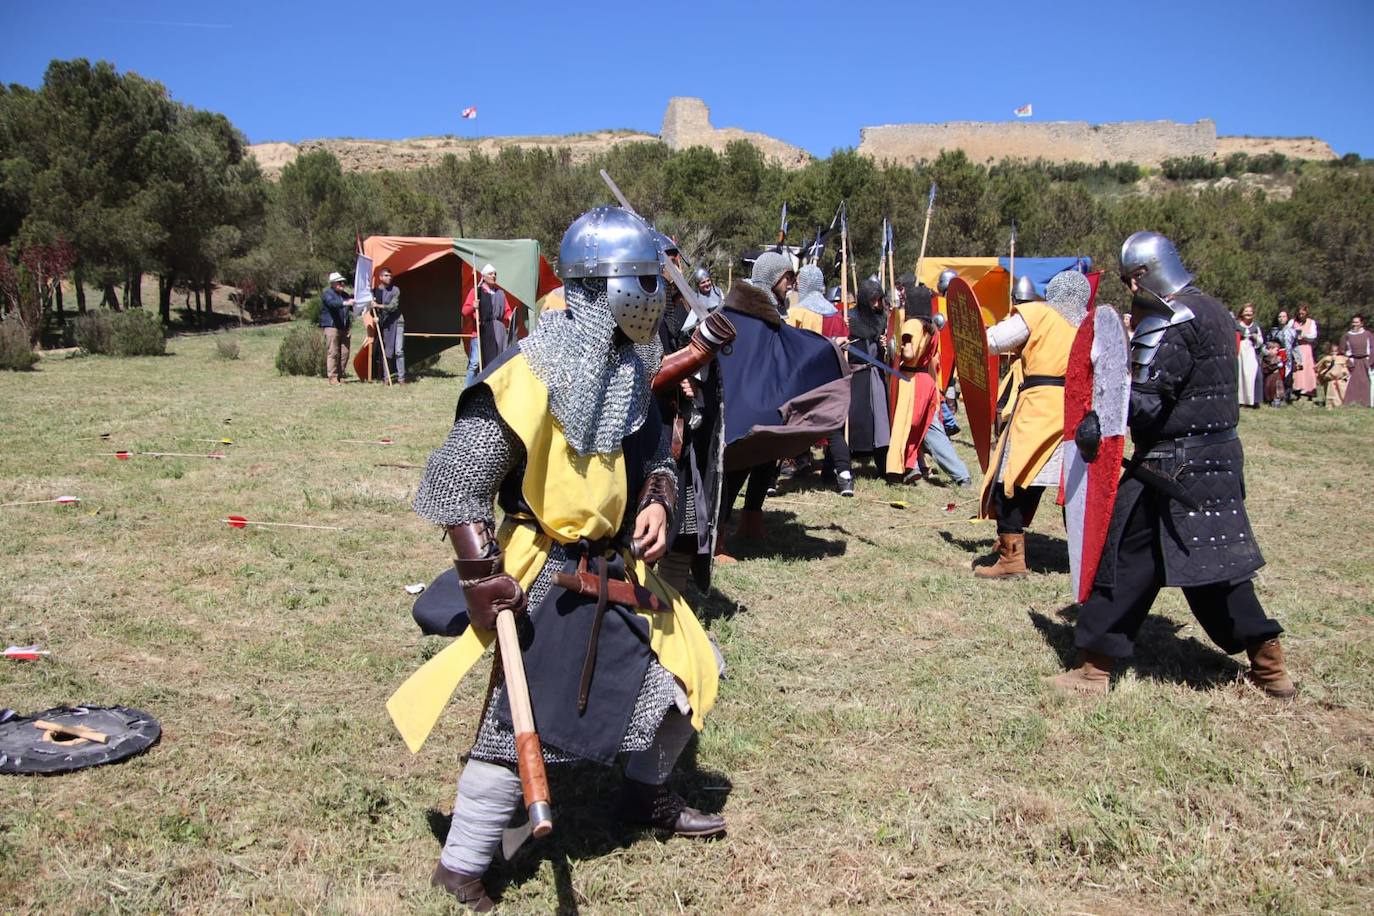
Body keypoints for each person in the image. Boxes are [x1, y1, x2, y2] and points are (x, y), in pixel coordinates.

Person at [405, 206, 725, 910]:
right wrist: (482, 577)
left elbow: (656, 460)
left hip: (619, 566)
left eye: (656, 279)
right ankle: (461, 865)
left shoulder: (628, 369)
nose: (655, 294)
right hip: (542, 568)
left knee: (693, 673)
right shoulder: (524, 377)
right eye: (640, 280)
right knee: (516, 723)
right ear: (596, 286)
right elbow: (457, 485)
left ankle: (644, 795)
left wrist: (659, 502)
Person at [1049, 231, 1294, 700]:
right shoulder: (1217, 311)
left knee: (1120, 557)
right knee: (1212, 566)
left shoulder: (1171, 317)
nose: (1130, 290)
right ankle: (1269, 665)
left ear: (1143, 274)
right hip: (1216, 459)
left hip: (1170, 463)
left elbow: (1144, 401)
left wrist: (1100, 412)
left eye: (1130, 280)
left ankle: (1093, 671)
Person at [974, 270, 1090, 578]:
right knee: (1075, 488)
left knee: (1010, 482)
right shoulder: (1089, 325)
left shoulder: (1039, 313)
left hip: (1039, 408)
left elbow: (993, 341)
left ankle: (1011, 560)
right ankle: (1089, 557)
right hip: (1076, 412)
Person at [718, 250, 797, 545]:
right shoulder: (743, 310)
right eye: (787, 277)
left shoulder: (771, 312)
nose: (791, 283)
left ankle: (751, 521)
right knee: (735, 465)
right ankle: (717, 537)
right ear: (773, 277)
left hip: (767, 396)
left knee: (766, 459)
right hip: (742, 398)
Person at [886, 277, 970, 487]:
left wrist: (893, 346)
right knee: (931, 429)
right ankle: (959, 474)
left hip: (911, 380)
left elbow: (909, 352)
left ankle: (907, 467)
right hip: (927, 381)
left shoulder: (912, 324)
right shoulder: (931, 325)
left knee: (906, 426)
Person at [844, 279, 892, 472]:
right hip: (856, 376)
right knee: (854, 420)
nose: (876, 304)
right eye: (872, 300)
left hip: (875, 375)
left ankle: (882, 464)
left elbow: (887, 353)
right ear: (864, 300)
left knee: (880, 421)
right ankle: (845, 461)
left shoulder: (882, 318)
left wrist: (886, 345)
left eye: (879, 300)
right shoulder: (850, 318)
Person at [461, 265, 516, 387]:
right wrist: (473, 307)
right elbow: (464, 311)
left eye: (495, 274)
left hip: (498, 333)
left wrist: (510, 317)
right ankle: (467, 389)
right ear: (484, 276)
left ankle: (492, 387)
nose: (494, 276)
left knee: (496, 361)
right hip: (481, 332)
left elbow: (507, 311)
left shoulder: (500, 293)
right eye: (491, 274)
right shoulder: (476, 292)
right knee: (475, 363)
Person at [367, 267, 406, 383]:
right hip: (385, 323)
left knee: (399, 351)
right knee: (386, 351)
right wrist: (374, 316)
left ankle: (401, 378)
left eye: (390, 276)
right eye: (386, 275)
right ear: (380, 277)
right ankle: (386, 378)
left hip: (397, 321)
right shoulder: (375, 292)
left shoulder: (395, 290)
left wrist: (378, 306)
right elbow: (371, 310)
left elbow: (393, 307)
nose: (389, 278)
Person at [320, 271, 355, 385]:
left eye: (343, 282)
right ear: (333, 283)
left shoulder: (345, 295)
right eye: (339, 282)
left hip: (344, 327)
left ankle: (341, 375)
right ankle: (333, 377)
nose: (342, 284)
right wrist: (346, 303)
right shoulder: (327, 293)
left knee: (345, 352)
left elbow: (352, 308)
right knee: (333, 352)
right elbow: (332, 304)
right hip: (332, 326)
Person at [1340, 314, 1373, 408]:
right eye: (1353, 322)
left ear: (1362, 323)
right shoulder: (1347, 335)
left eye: (1357, 322)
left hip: (1365, 360)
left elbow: (1372, 348)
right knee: (1352, 382)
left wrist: (1370, 361)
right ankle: (1351, 402)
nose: (1354, 324)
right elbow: (1342, 349)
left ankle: (1367, 402)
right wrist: (1348, 360)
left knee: (1366, 382)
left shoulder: (1367, 334)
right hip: (1353, 360)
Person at [1235, 304, 1264, 408]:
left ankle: (1253, 400)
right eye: (1246, 311)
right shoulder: (1236, 325)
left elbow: (1261, 342)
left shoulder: (1255, 326)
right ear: (1242, 313)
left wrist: (1256, 338)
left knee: (1253, 374)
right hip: (1240, 351)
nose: (1248, 313)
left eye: (1250, 311)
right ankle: (1240, 400)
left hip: (1251, 351)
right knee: (1240, 374)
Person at [1291, 304, 1319, 399]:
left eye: (1303, 311)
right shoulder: (1292, 322)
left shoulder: (1311, 322)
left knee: (1307, 368)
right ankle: (1296, 389)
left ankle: (1308, 390)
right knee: (1297, 369)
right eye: (1299, 311)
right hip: (1295, 347)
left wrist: (1304, 335)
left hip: (1306, 347)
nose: (1301, 313)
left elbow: (1313, 335)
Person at [1269, 309, 1297, 402]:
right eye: (1279, 317)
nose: (1281, 319)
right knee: (1277, 376)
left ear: (1287, 318)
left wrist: (1298, 359)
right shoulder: (1273, 331)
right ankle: (1276, 396)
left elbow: (1295, 346)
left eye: (1284, 316)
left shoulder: (1292, 332)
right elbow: (1268, 343)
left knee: (1288, 377)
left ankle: (1287, 396)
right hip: (1277, 356)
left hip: (1288, 357)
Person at [1315, 341, 1350, 408]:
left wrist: (1345, 374)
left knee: (1342, 392)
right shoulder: (1326, 358)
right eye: (1332, 351)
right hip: (1330, 380)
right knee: (1331, 393)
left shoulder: (1343, 358)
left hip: (1341, 380)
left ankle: (1342, 403)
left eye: (1336, 351)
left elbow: (1346, 367)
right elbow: (1318, 367)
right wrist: (1322, 374)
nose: (1334, 353)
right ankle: (1331, 404)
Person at [1261, 339, 1286, 406]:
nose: (1277, 352)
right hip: (1270, 377)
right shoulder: (1266, 359)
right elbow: (1266, 368)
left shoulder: (1277, 358)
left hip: (1277, 377)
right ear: (1270, 349)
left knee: (1277, 389)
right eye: (1276, 350)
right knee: (1270, 388)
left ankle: (1277, 400)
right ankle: (1270, 400)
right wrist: (1276, 366)